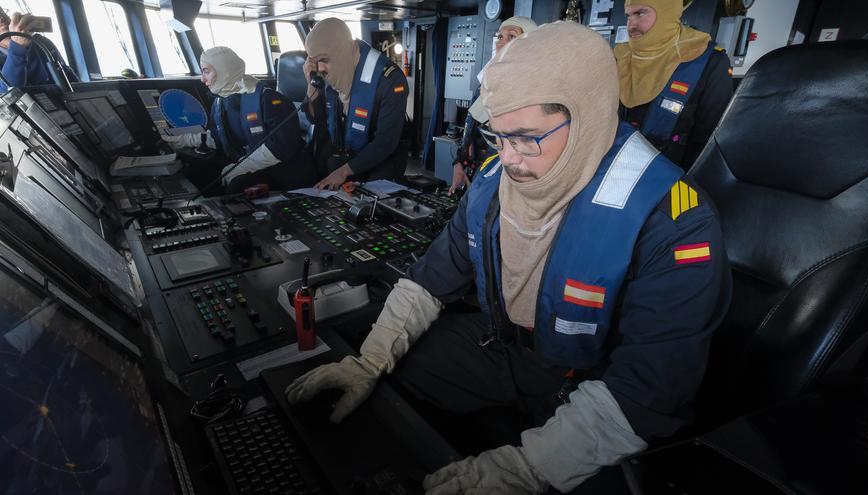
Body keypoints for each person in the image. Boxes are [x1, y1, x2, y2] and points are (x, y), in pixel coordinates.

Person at [287, 21, 731, 494]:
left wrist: (524, 469)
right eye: (498, 137)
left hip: (596, 384)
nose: (509, 159)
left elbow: (647, 387)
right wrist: (369, 361)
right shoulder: (494, 178)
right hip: (504, 352)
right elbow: (432, 277)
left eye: (525, 138)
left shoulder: (674, 220)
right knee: (389, 388)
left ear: (588, 116)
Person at [163, 46, 316, 192]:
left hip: (285, 174)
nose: (203, 79)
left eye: (206, 72)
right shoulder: (221, 101)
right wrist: (179, 141)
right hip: (254, 166)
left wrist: (240, 168)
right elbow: (217, 137)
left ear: (224, 70)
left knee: (236, 185)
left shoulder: (269, 100)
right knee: (197, 174)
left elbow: (280, 147)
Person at [614, 0, 733, 170]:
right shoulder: (620, 56)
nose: (631, 25)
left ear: (667, 13)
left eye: (640, 13)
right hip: (615, 170)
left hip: (673, 179)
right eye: (628, 16)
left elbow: (711, 141)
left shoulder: (709, 61)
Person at [301, 18, 409, 190]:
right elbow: (316, 119)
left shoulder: (390, 80)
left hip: (380, 163)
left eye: (324, 60)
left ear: (341, 52)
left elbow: (385, 142)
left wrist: (343, 172)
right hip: (346, 157)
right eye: (315, 62)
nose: (320, 69)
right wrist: (310, 83)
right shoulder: (331, 73)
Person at [447, 15, 537, 194]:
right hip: (477, 176)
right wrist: (460, 163)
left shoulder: (534, 93)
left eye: (512, 37)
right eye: (500, 37)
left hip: (505, 185)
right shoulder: (486, 84)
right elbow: (471, 125)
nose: (501, 43)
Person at [0, 10, 77, 91]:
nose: (1, 18)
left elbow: (67, 74)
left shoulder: (41, 41)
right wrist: (18, 47)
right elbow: (6, 92)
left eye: (2, 13)